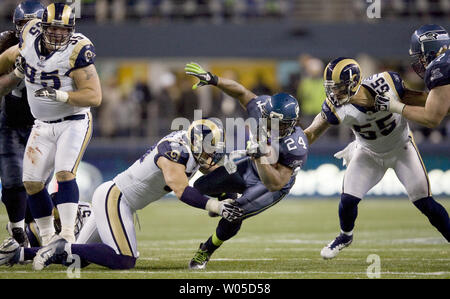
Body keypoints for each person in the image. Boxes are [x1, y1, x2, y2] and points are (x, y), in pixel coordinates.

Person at [0, 119, 243, 270]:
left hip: (117, 198)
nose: (211, 155)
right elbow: (182, 191)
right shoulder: (174, 153)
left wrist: (236, 173)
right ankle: (63, 244)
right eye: (210, 148)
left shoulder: (189, 145)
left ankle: (19, 253)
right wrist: (218, 207)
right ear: (197, 142)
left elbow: (216, 169)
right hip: (116, 198)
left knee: (79, 259)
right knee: (123, 259)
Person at [304, 57, 450, 259]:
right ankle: (345, 236)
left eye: (339, 87)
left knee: (425, 203)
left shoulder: (387, 83)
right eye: (331, 87)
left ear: (354, 82)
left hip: (402, 149)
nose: (334, 93)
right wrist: (286, 146)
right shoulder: (335, 107)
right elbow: (311, 133)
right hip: (367, 153)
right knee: (347, 200)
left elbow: (423, 100)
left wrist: (442, 103)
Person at [184, 62, 308, 269]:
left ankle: (206, 249)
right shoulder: (261, 109)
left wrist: (260, 158)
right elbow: (241, 91)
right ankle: (228, 197)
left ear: (293, 123)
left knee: (234, 214)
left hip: (269, 183)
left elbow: (275, 183)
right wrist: (214, 79)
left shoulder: (296, 145)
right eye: (269, 120)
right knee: (202, 187)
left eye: (280, 124)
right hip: (249, 166)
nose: (271, 126)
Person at [0, 3, 102, 245]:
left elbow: (94, 96)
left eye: (64, 30)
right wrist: (14, 73)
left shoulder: (78, 49)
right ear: (42, 27)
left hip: (73, 121)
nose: (58, 34)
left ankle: (66, 235)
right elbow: (7, 57)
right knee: (32, 183)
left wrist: (62, 96)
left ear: (72, 30)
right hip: (42, 123)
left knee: (65, 173)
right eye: (53, 29)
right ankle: (47, 239)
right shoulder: (28, 37)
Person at [0, 1, 44, 248]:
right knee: (13, 179)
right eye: (22, 24)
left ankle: (33, 230)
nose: (27, 29)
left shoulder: (56, 46)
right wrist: (15, 75)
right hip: (11, 122)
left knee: (38, 185)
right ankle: (17, 229)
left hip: (43, 124)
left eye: (33, 23)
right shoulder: (7, 45)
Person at [374, 24, 450, 128]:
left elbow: (431, 119)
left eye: (421, 56)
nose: (421, 61)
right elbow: (444, 106)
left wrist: (394, 106)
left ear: (430, 50)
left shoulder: (441, 66)